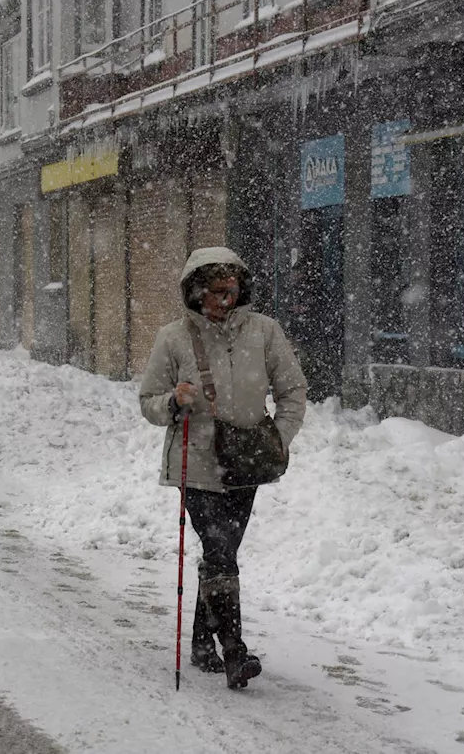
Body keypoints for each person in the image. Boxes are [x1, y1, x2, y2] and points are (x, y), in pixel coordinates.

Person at [139, 246, 307, 691]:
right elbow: (148, 404)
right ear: (196, 293)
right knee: (218, 551)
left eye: (231, 291)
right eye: (215, 293)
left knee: (222, 556)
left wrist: (278, 439)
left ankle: (200, 641)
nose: (224, 301)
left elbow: (293, 391)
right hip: (196, 464)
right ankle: (234, 650)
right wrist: (172, 402)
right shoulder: (174, 338)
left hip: (246, 464)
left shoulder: (265, 332)